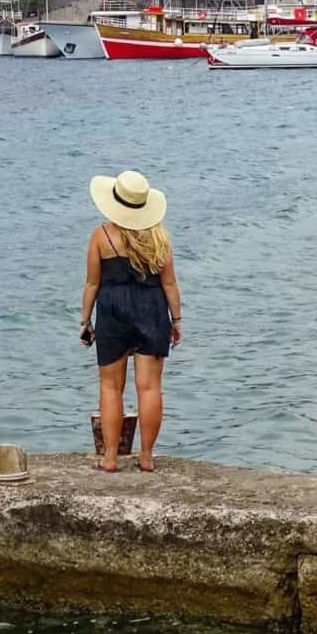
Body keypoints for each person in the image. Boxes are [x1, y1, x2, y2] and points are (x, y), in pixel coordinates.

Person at [79, 170, 182, 473]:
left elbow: (91, 284)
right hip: (152, 308)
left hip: (112, 309)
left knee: (111, 387)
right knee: (149, 387)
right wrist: (176, 321)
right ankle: (147, 457)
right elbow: (170, 285)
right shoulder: (160, 238)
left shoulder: (101, 236)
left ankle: (110, 458)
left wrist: (85, 321)